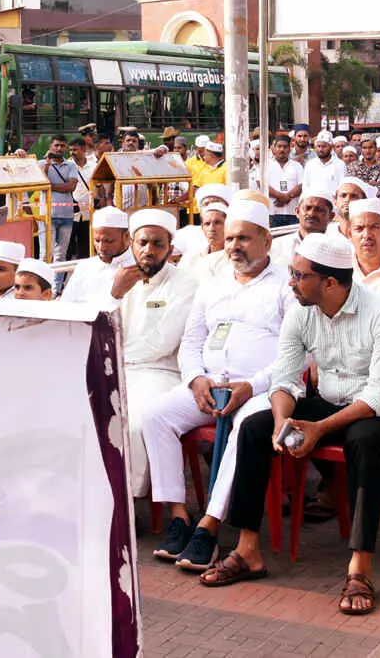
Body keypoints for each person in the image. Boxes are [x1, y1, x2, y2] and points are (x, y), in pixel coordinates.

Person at [194, 233, 380, 616]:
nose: (290, 283)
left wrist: (319, 428)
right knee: (255, 427)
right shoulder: (301, 312)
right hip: (329, 401)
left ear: (329, 283)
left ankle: (360, 567)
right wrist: (282, 421)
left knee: (363, 441)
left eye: (299, 276)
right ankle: (247, 550)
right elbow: (286, 379)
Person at [146, 202, 294, 572]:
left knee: (246, 429)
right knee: (155, 416)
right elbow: (192, 341)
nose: (234, 246)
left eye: (243, 238)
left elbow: (298, 356)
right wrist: (196, 379)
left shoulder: (287, 286)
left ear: (266, 241)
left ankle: (208, 527)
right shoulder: (212, 285)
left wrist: (252, 385)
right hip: (210, 386)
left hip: (263, 390)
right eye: (229, 238)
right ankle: (179, 517)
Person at [112, 210, 194, 496]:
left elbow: (161, 343)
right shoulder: (120, 279)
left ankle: (127, 499)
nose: (149, 251)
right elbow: (99, 331)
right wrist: (115, 295)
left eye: (158, 244)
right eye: (143, 242)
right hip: (119, 369)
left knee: (133, 424)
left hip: (160, 373)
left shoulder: (185, 284)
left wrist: (122, 348)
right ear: (131, 244)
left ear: (170, 249)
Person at [60, 206, 135, 302]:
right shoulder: (85, 267)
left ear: (126, 236)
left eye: (109, 241)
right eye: (97, 240)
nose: (101, 247)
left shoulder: (138, 269)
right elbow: (65, 305)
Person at [42, 136, 83, 261]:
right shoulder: (41, 164)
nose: (59, 148)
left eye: (62, 146)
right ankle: (44, 281)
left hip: (66, 216)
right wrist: (48, 164)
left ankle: (57, 282)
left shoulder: (71, 165)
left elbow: (71, 187)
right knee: (45, 255)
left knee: (61, 256)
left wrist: (50, 186)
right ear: (50, 147)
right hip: (47, 216)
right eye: (56, 145)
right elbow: (41, 183)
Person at [262, 132, 304, 228]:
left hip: (293, 212)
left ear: (290, 149)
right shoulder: (266, 165)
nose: (282, 149)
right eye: (279, 146)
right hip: (272, 212)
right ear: (273, 148)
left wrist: (287, 196)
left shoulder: (297, 166)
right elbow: (262, 184)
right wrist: (282, 196)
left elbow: (301, 185)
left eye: (285, 147)